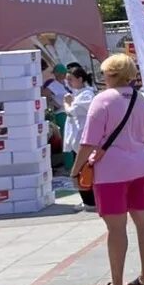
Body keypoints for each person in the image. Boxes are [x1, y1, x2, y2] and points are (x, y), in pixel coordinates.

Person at [75, 53, 144, 285]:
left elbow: (88, 143)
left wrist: (76, 169)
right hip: (141, 166)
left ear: (110, 74)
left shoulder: (102, 101)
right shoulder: (142, 100)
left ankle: (117, 283)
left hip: (111, 172)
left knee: (116, 227)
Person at [61, 63, 97, 207]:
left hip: (83, 139)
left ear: (80, 79)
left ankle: (90, 201)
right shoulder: (78, 94)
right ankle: (87, 200)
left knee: (83, 170)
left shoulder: (87, 94)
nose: (68, 83)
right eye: (67, 80)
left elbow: (71, 111)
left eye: (71, 80)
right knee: (81, 169)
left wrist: (66, 103)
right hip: (77, 139)